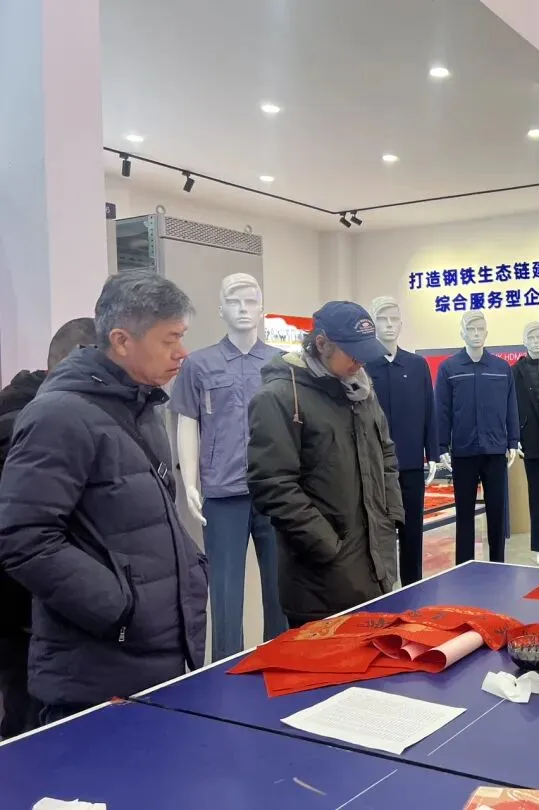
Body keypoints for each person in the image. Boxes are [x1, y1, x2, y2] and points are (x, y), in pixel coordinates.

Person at [0, 272, 208, 727]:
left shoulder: (142, 406)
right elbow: (24, 538)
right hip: (95, 671)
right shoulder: (60, 416)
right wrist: (119, 609)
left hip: (158, 656)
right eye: (170, 339)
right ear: (121, 340)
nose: (182, 352)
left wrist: (189, 572)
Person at [247, 301, 405, 628]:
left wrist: (391, 517)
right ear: (321, 343)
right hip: (319, 584)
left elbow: (386, 456)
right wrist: (327, 546)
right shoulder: (280, 397)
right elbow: (272, 485)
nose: (360, 361)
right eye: (352, 352)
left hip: (376, 570)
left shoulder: (361, 392)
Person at [0, 318, 98, 738]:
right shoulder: (41, 424)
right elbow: (31, 533)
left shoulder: (21, 409)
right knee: (32, 724)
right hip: (32, 602)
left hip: (24, 602)